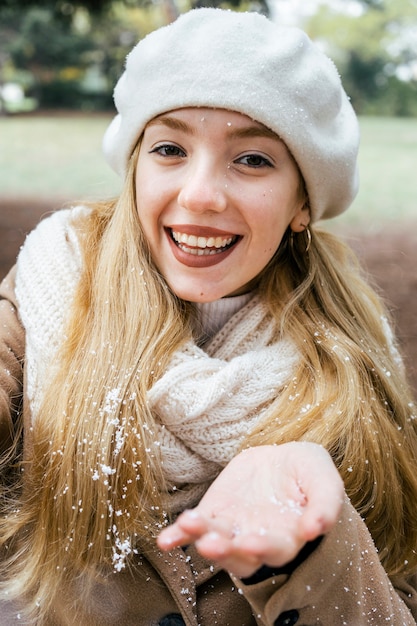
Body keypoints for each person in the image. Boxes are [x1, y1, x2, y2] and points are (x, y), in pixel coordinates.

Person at [0, 7, 416, 625]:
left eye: (252, 160)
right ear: (135, 169)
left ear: (303, 201)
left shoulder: (356, 359)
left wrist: (312, 547)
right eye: (170, 148)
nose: (199, 194)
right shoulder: (52, 284)